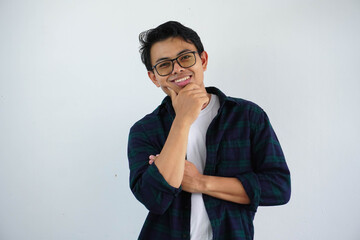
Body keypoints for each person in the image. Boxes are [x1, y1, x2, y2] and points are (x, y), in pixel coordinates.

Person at [127, 21, 291, 240]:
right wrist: (183, 120)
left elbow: (278, 188)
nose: (177, 69)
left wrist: (200, 182)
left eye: (185, 57)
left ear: (202, 60)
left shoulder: (247, 116)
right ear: (154, 77)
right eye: (164, 65)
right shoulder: (144, 130)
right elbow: (154, 199)